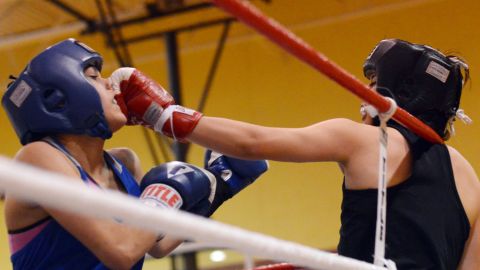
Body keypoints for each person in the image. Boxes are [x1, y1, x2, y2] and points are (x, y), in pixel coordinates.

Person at [112, 39, 480, 269]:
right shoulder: (468, 175)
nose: (363, 101)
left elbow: (252, 142)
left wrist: (163, 115)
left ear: (390, 92)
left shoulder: (363, 140)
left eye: (370, 88)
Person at [1, 38, 268, 270]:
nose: (111, 85)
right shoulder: (38, 158)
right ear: (58, 99)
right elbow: (122, 251)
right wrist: (166, 194)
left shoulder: (124, 163)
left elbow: (158, 242)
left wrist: (219, 185)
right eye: (94, 77)